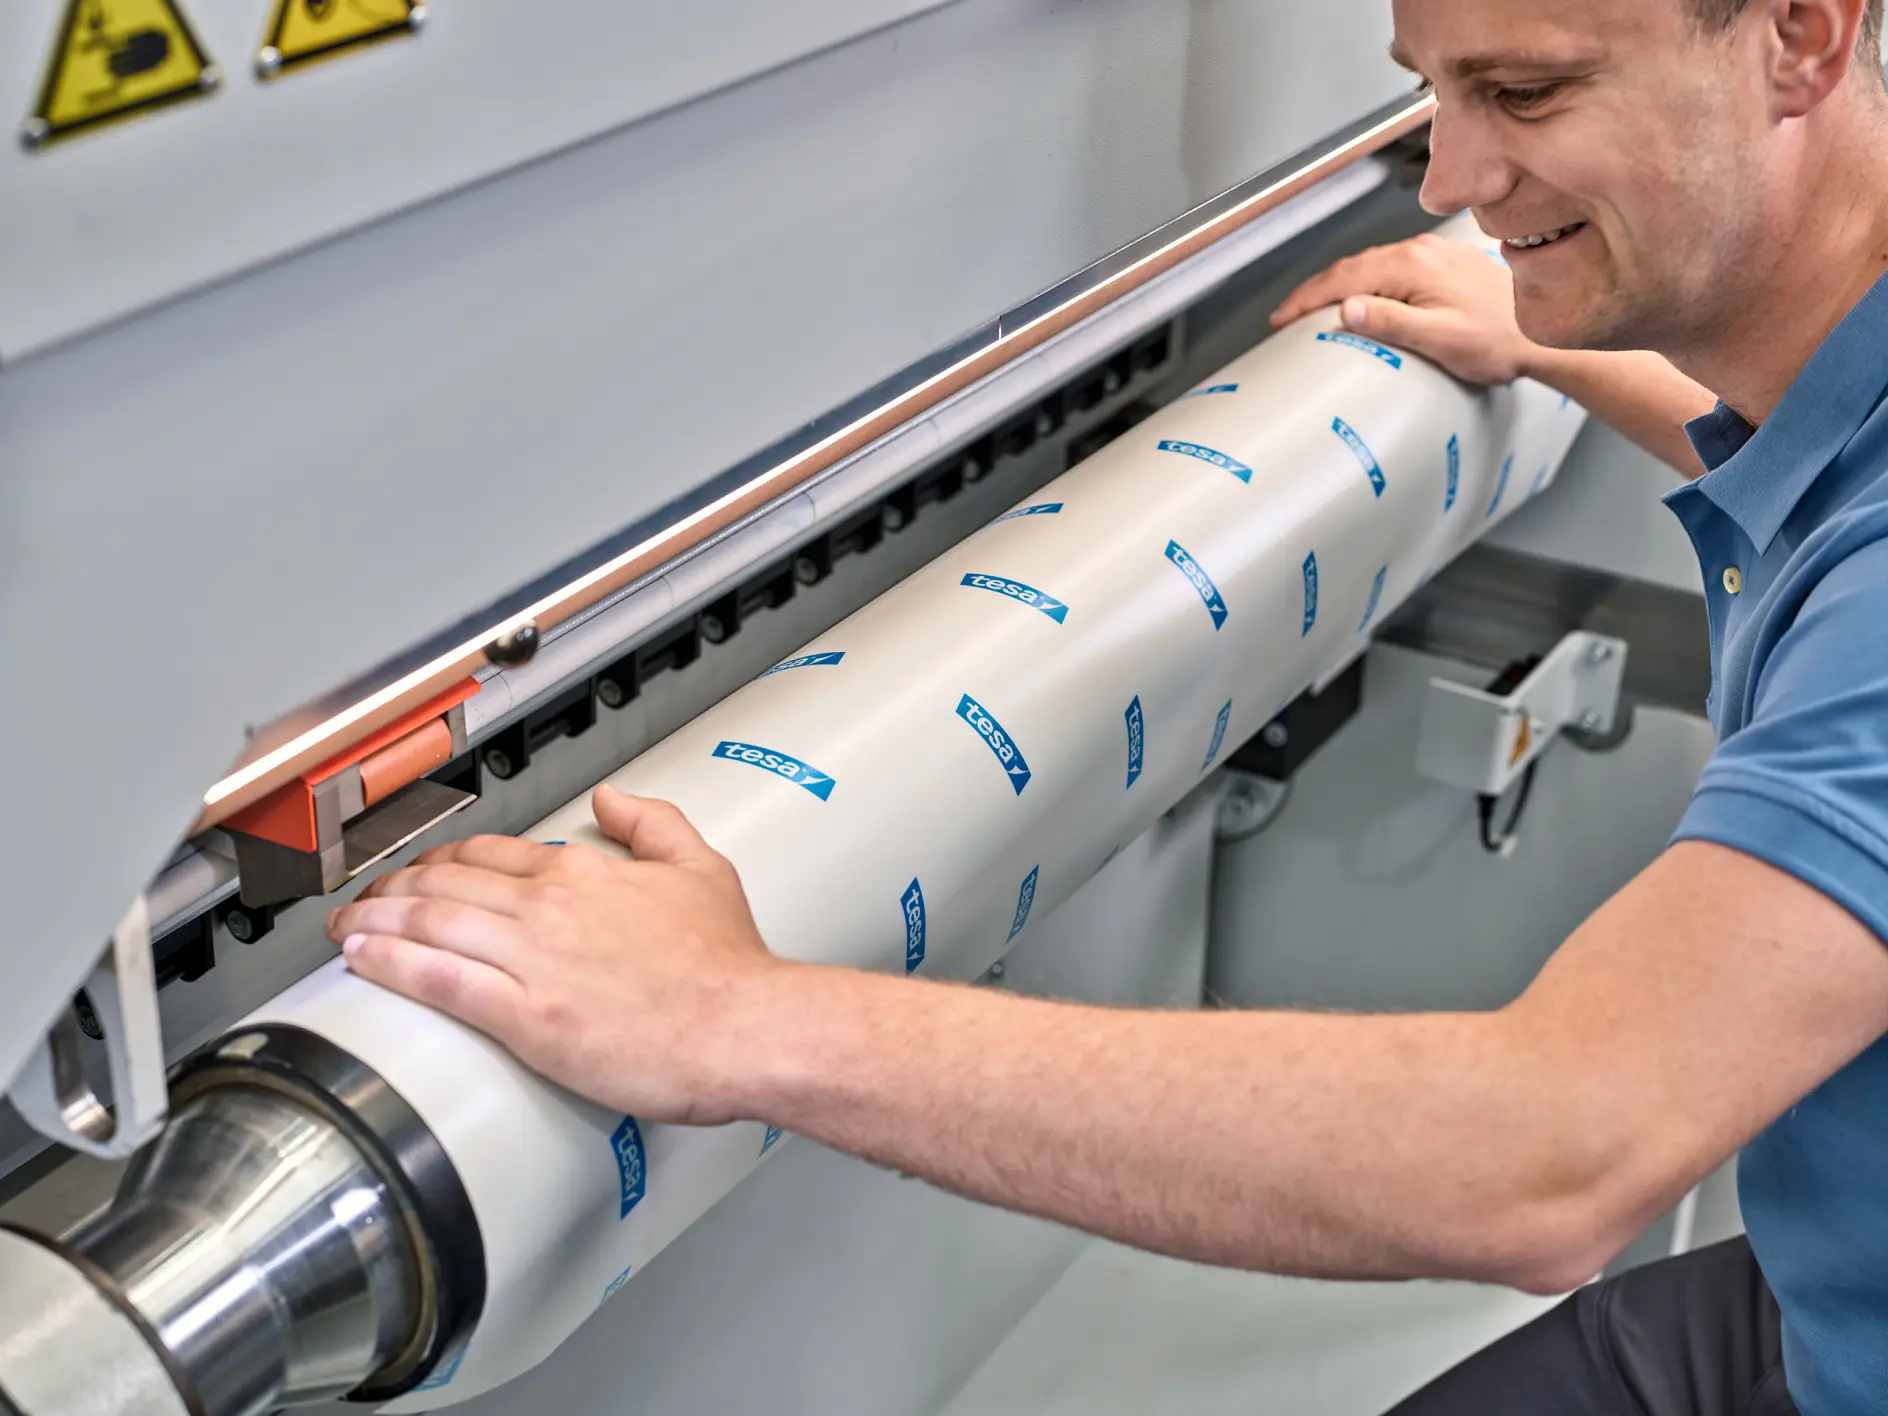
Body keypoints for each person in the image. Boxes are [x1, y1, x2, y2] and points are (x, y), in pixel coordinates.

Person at [326, 1, 1888, 1410]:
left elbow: (1549, 1158)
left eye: (1528, 93)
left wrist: (731, 1016)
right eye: (1430, 94)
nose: (1449, 180)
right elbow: (1813, 471)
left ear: (1801, 39)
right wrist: (1553, 347)